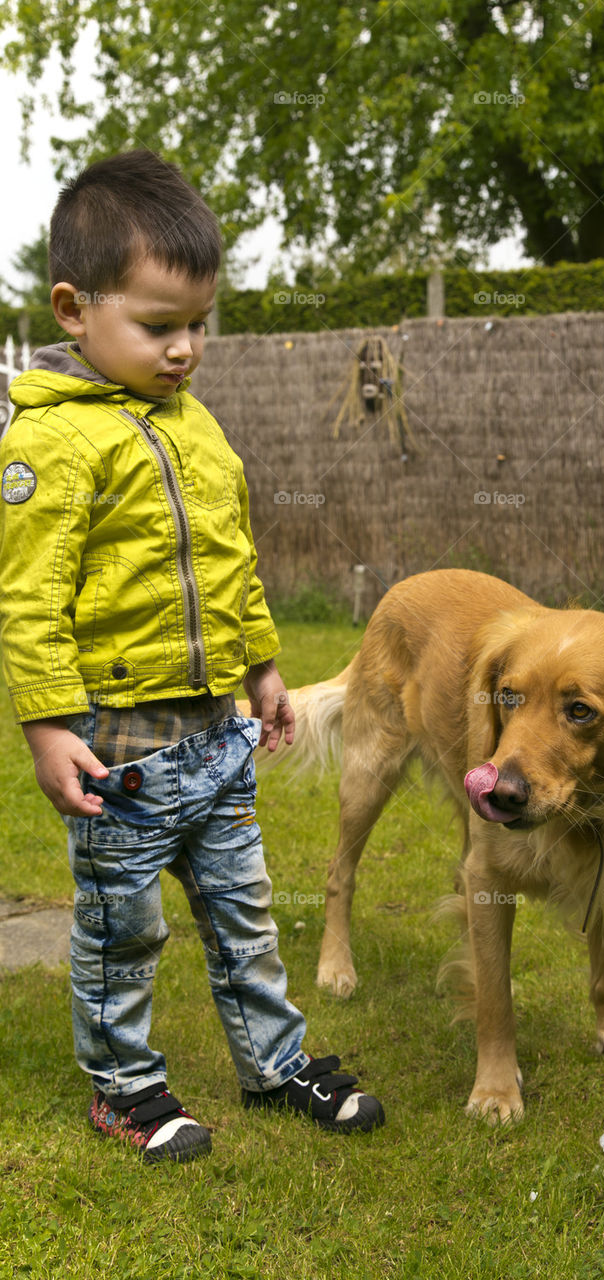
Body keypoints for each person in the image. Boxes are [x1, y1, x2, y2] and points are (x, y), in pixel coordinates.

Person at [0, 149, 384, 1164]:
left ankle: (274, 1063)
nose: (185, 348)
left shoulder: (198, 429)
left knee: (246, 918)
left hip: (216, 733)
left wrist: (261, 666)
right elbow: (28, 596)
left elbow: (231, 560)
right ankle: (127, 1089)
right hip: (117, 744)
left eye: (199, 325)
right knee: (122, 932)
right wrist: (45, 723)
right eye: (159, 325)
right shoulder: (51, 447)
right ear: (75, 309)